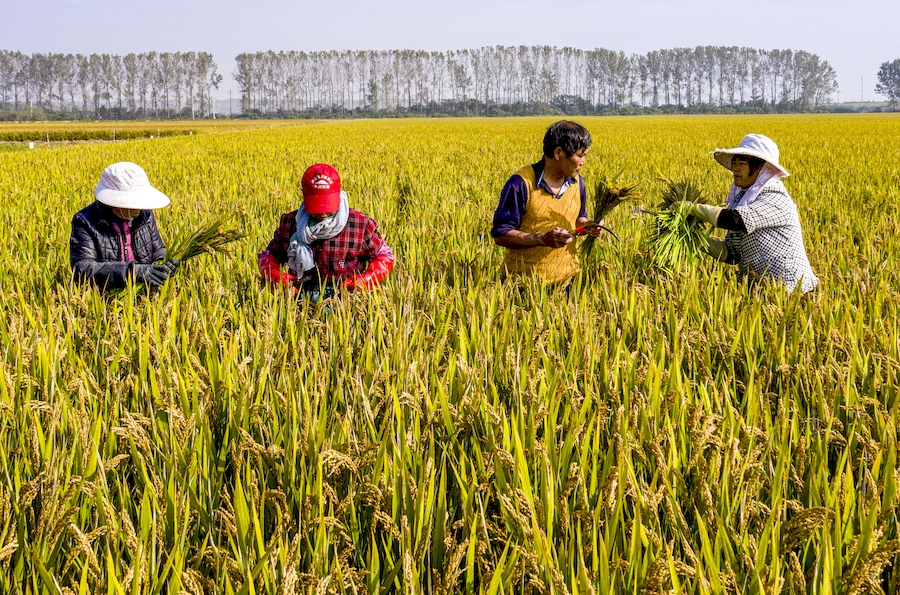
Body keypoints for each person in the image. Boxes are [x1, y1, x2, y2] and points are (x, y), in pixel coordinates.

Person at [678, 133, 818, 293]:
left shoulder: (775, 196)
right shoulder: (743, 199)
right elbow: (732, 254)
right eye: (734, 162)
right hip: (761, 289)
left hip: (793, 289)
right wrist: (696, 240)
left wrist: (692, 208)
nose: (735, 168)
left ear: (761, 167)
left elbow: (736, 220)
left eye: (742, 162)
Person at [258, 163, 393, 299]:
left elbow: (385, 256)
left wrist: (366, 280)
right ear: (304, 196)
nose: (322, 213)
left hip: (345, 298)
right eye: (316, 206)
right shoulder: (290, 223)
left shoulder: (359, 225)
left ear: (339, 195)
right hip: (299, 297)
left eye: (328, 205)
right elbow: (269, 255)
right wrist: (274, 275)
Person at [491, 120, 603, 285]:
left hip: (567, 280)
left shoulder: (578, 182)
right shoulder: (521, 184)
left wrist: (588, 226)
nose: (583, 161)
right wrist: (542, 239)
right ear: (558, 153)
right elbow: (501, 235)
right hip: (523, 284)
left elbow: (579, 219)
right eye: (580, 155)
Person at [70, 161, 179, 289]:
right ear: (116, 203)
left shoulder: (145, 215)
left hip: (143, 293)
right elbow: (82, 269)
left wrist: (167, 264)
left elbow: (158, 252)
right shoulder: (86, 221)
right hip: (106, 298)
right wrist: (132, 272)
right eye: (134, 204)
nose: (139, 210)